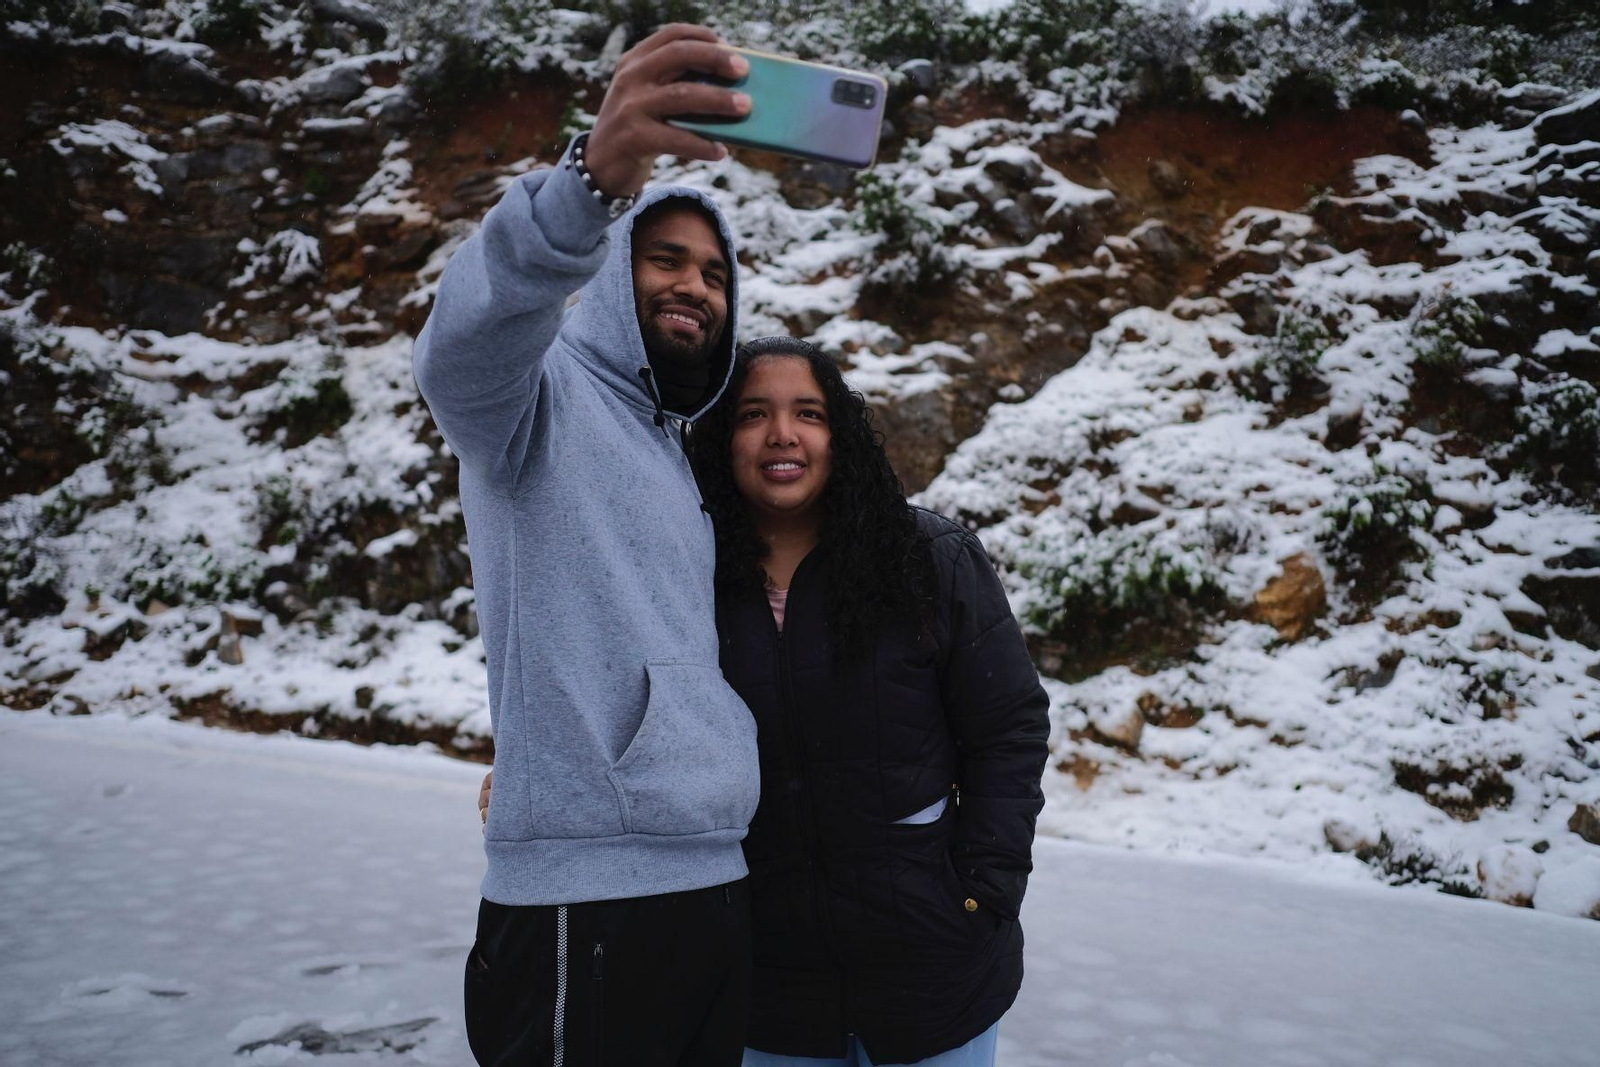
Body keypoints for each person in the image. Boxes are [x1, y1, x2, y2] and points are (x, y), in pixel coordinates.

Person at [482, 338, 1051, 1065]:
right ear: (723, 437)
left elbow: (1009, 729)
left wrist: (983, 891)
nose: (783, 434)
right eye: (754, 414)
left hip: (935, 974)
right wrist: (547, 776)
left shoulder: (928, 559)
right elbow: (622, 706)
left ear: (840, 434)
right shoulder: (682, 577)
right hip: (765, 986)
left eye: (808, 413)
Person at [413, 24, 764, 1067]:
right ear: (612, 269)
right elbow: (459, 351)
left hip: (711, 881)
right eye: (666, 259)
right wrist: (591, 183)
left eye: (715, 273)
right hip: (586, 898)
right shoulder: (536, 397)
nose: (695, 285)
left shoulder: (677, 455)